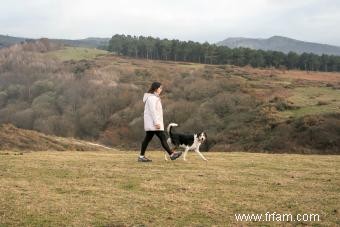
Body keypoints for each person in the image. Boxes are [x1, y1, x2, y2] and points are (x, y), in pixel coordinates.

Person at [138, 82, 182, 162]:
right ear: (156, 88)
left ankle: (141, 156)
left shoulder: (153, 97)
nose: (161, 89)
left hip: (153, 123)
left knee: (148, 139)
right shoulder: (151, 98)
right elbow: (153, 111)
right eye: (160, 88)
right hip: (153, 124)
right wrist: (156, 123)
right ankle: (171, 154)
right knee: (162, 137)